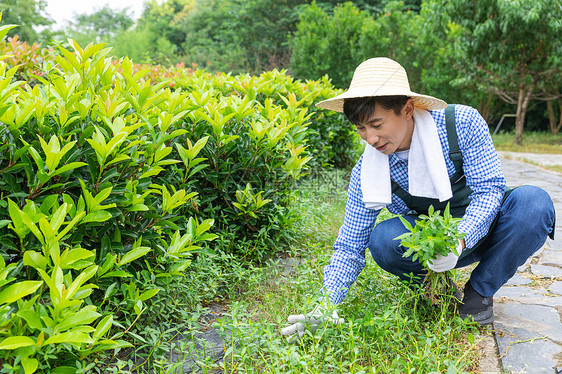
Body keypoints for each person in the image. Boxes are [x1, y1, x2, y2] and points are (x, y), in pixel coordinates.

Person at [281, 57, 555, 340]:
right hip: (432, 249)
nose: (370, 139)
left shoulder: (460, 124)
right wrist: (325, 304)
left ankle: (478, 293)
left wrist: (458, 239)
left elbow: (489, 191)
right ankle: (443, 292)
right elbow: (350, 245)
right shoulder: (367, 171)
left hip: (490, 231)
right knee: (384, 240)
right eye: (361, 128)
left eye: (376, 124)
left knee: (534, 204)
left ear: (407, 109)